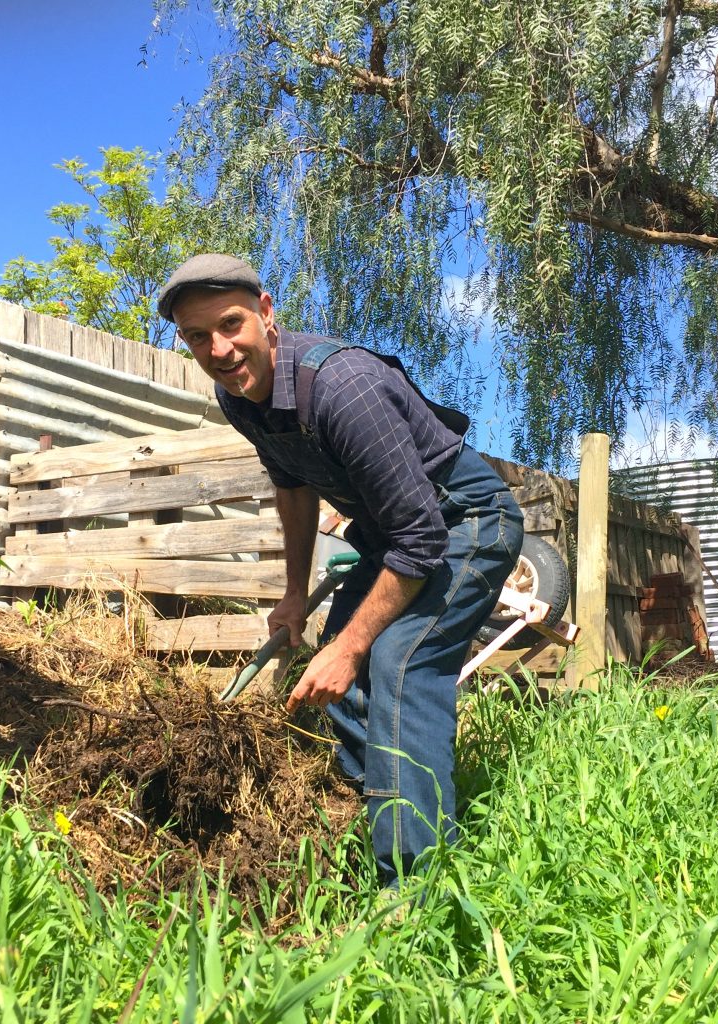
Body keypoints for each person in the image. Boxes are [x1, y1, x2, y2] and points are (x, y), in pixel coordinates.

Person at [157, 254, 524, 888]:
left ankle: (417, 886)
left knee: (399, 662)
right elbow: (294, 488)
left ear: (266, 313)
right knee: (338, 670)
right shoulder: (240, 396)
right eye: (196, 336)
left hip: (467, 523)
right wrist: (295, 594)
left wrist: (356, 647)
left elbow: (422, 535)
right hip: (395, 532)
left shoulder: (344, 388)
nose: (218, 349)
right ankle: (382, 801)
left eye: (231, 323)